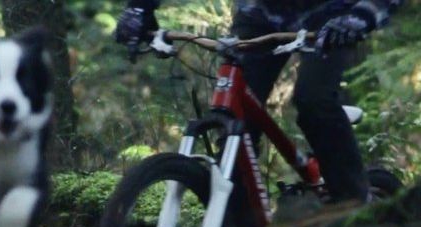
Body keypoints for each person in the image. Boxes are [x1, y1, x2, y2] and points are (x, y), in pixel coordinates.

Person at [116, 0, 403, 203]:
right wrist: (140, 7)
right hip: (260, 14)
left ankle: (356, 210)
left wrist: (364, 14)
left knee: (314, 100)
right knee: (236, 116)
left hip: (333, 14)